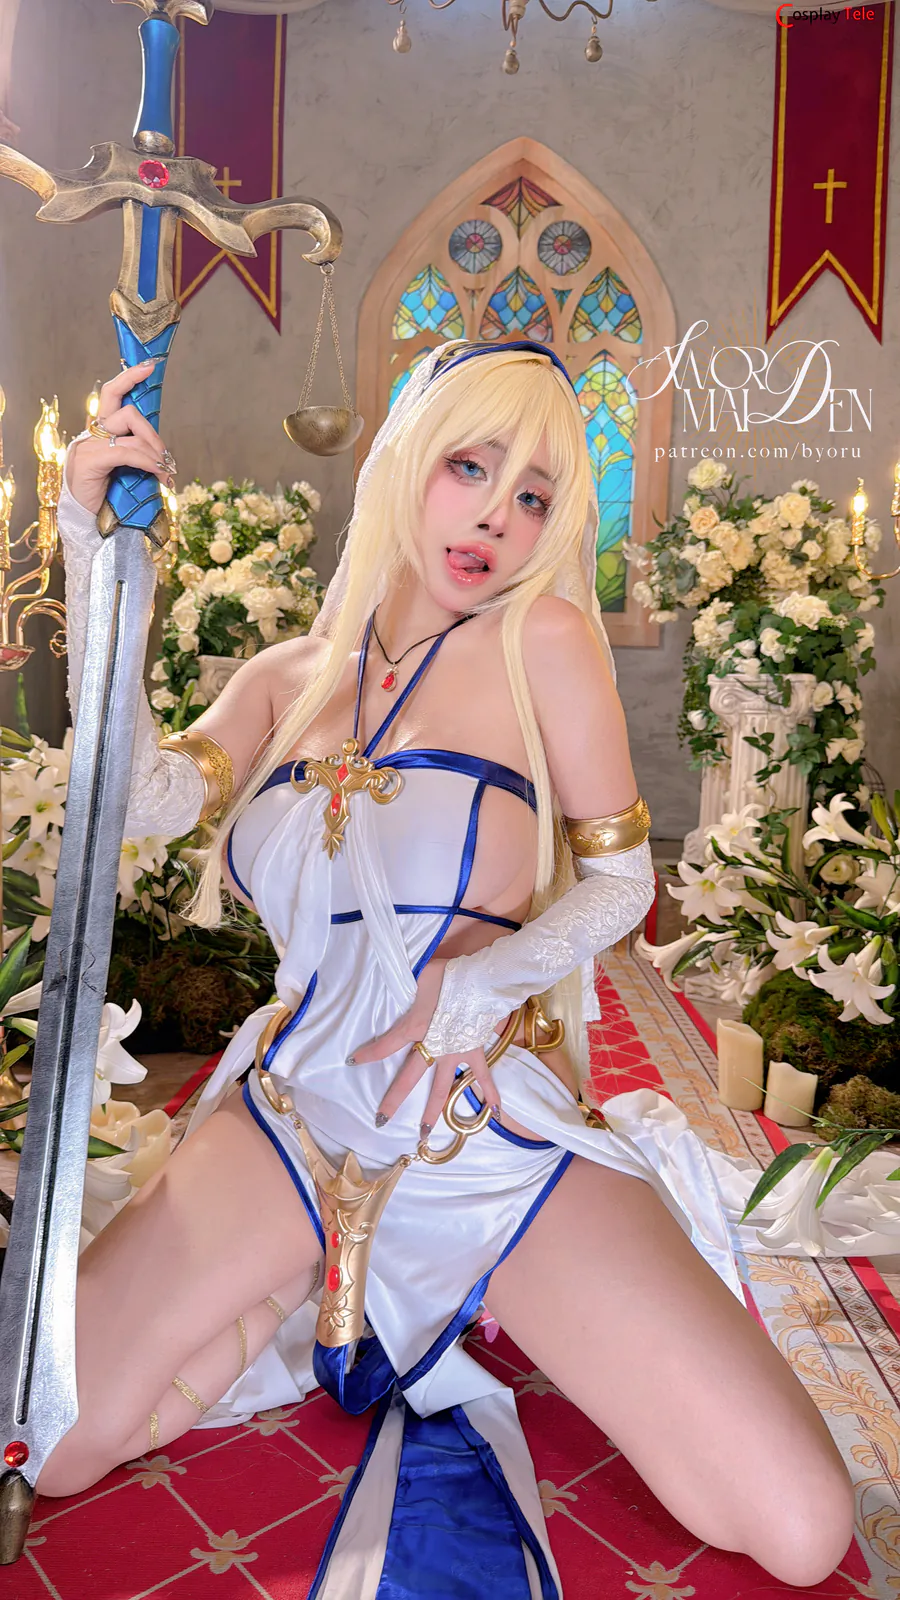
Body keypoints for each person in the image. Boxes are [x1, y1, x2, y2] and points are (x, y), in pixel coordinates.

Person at [36, 339, 893, 1595]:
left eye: (534, 494)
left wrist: (482, 983)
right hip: (293, 1111)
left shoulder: (543, 640)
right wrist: (98, 555)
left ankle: (360, 1291)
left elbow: (622, 884)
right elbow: (142, 796)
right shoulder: (287, 678)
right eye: (471, 467)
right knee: (52, 1441)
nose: (496, 516)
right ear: (405, 462)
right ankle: (303, 1292)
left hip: (480, 1122)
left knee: (801, 1525)